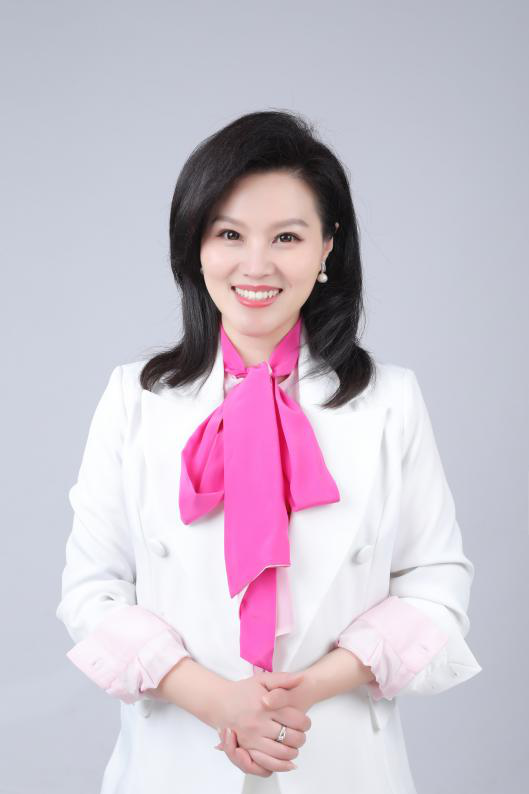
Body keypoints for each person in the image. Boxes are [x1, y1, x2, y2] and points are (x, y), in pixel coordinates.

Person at [56, 110, 482, 794]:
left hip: (337, 757)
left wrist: (305, 689)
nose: (256, 265)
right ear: (195, 245)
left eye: (286, 236)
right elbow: (92, 590)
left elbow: (435, 583)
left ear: (327, 248)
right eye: (229, 234)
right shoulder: (133, 399)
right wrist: (218, 701)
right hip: (175, 760)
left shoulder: (392, 401)